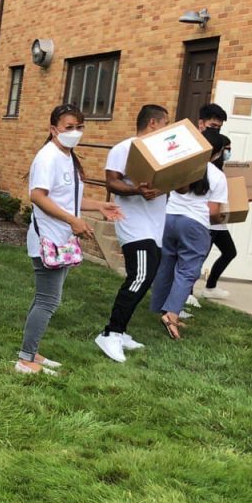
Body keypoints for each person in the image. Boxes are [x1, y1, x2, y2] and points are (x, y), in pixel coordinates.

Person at [17, 104, 122, 375]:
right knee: (48, 301)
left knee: (44, 298)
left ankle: (32, 351)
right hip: (48, 239)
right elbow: (38, 196)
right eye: (69, 127)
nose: (75, 132)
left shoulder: (69, 158)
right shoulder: (48, 157)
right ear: (54, 130)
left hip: (61, 239)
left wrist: (99, 205)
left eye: (79, 127)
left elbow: (68, 198)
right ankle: (25, 360)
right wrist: (72, 221)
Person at [95, 105, 169, 363]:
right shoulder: (124, 148)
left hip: (156, 225)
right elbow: (112, 181)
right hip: (134, 224)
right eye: (165, 123)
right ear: (152, 123)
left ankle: (122, 330)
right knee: (139, 277)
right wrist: (137, 190)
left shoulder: (163, 154)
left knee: (145, 280)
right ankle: (110, 332)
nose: (166, 129)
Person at [151, 130, 230, 339]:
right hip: (194, 225)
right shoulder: (217, 176)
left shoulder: (182, 168)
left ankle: (159, 307)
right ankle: (171, 315)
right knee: (188, 271)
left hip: (169, 218)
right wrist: (221, 219)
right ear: (216, 153)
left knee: (166, 265)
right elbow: (213, 212)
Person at [197, 103, 235, 300]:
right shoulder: (194, 148)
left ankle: (210, 287)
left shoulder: (220, 145)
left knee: (229, 251)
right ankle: (186, 293)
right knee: (198, 256)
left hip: (215, 210)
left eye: (219, 127)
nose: (216, 131)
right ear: (201, 123)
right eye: (213, 126)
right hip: (202, 214)